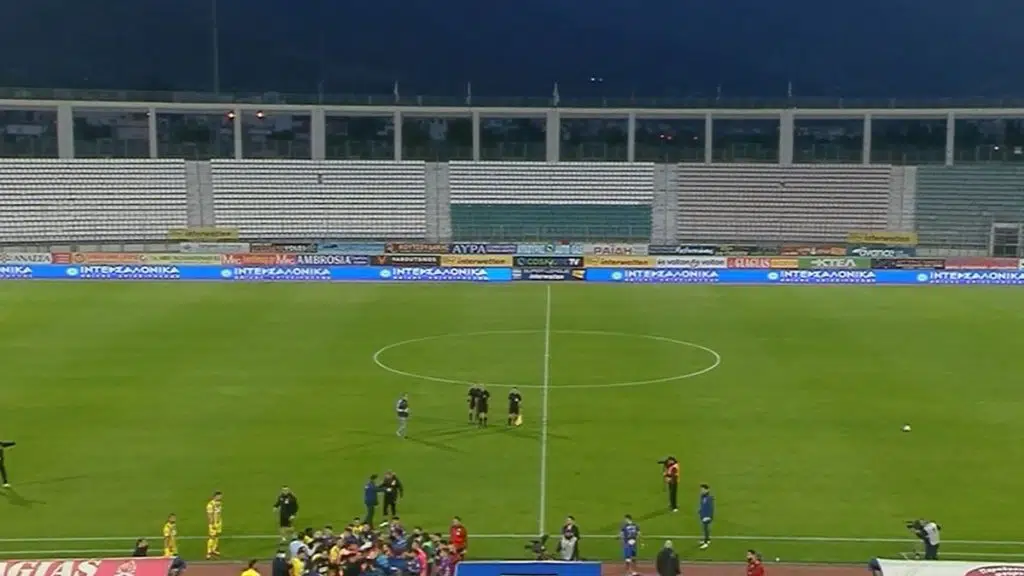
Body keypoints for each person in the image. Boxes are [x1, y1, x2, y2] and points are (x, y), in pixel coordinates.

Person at [207, 490, 224, 559]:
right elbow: (210, 515)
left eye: (221, 496)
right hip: (213, 523)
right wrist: (212, 524)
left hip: (218, 522)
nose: (220, 497)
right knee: (212, 537)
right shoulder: (210, 505)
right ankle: (208, 552)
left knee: (217, 536)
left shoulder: (219, 503)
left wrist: (219, 522)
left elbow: (218, 513)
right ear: (215, 496)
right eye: (219, 496)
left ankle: (213, 550)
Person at [698, 484, 715, 549]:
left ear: (707, 490)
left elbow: (711, 508)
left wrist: (709, 516)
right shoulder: (702, 496)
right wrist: (700, 510)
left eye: (703, 489)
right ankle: (707, 540)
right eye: (701, 489)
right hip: (703, 515)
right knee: (704, 528)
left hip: (707, 516)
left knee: (705, 529)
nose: (701, 491)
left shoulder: (709, 498)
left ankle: (706, 543)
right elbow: (702, 505)